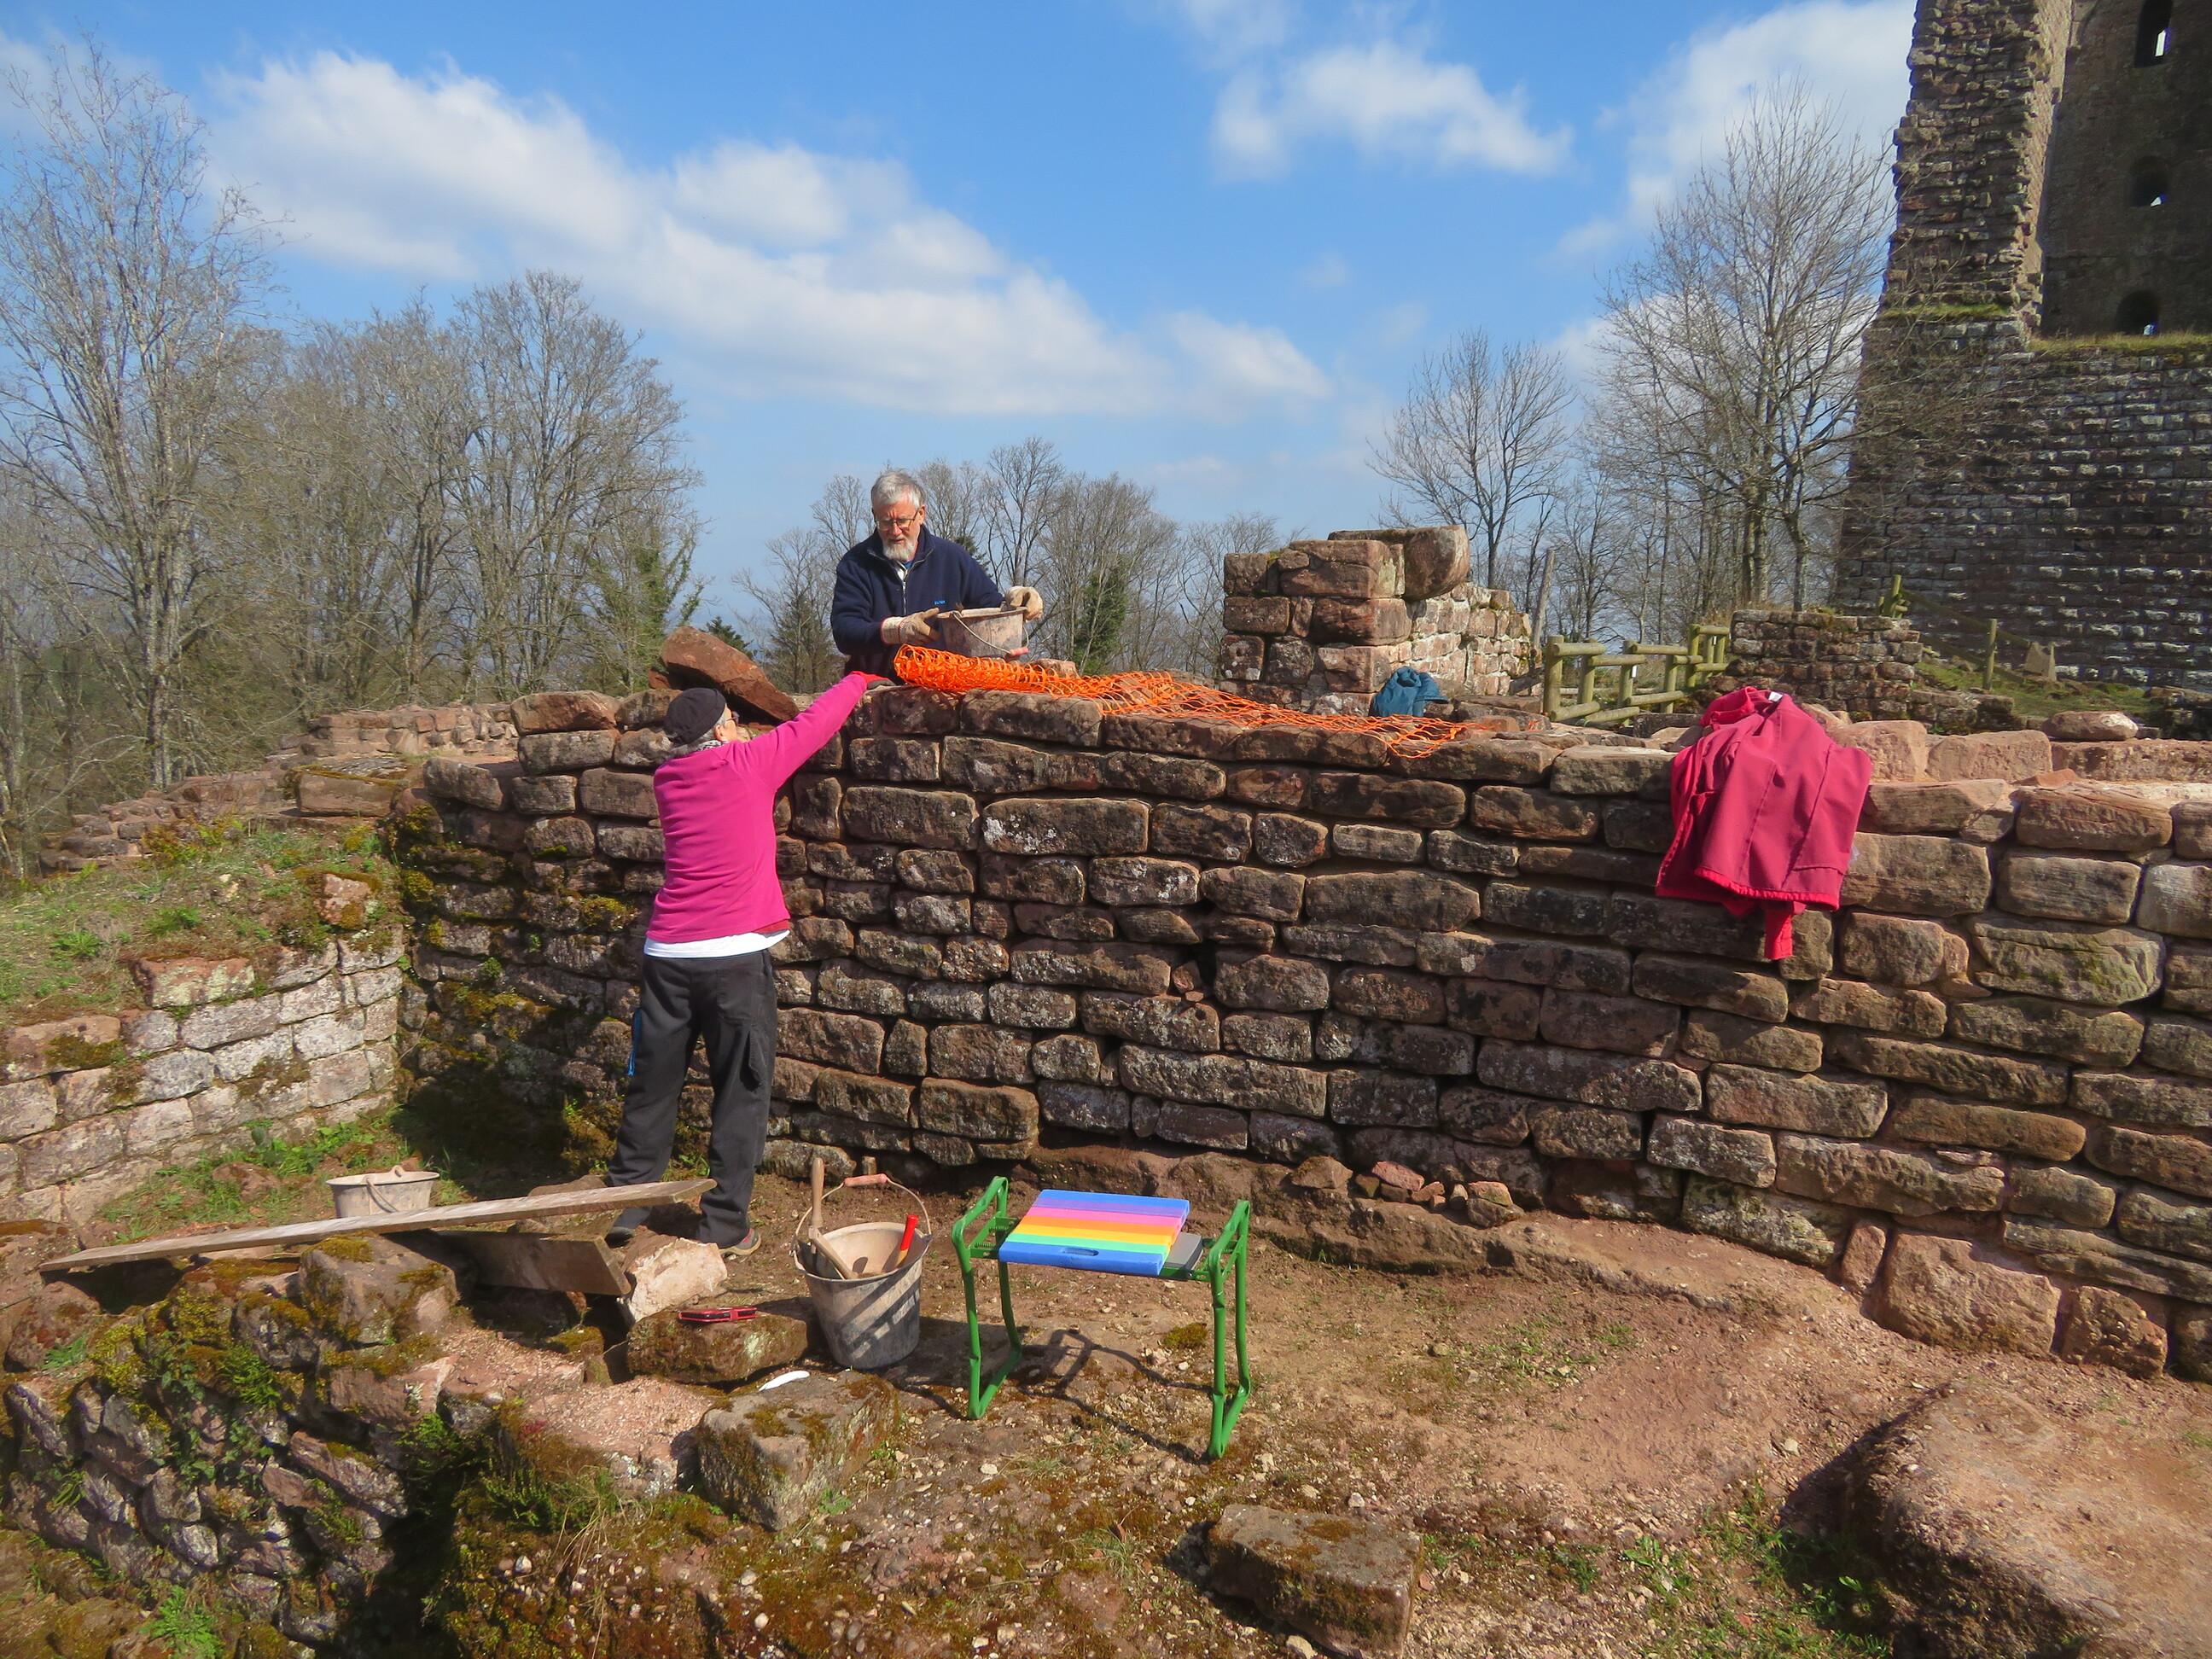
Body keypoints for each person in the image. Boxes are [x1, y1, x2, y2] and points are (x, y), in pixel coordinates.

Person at [603, 672, 874, 1256]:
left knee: (653, 1081)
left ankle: (628, 1199)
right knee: (741, 1089)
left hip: (667, 955)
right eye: (731, 720)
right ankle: (726, 1224)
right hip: (731, 958)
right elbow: (813, 724)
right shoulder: (748, 764)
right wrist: (859, 676)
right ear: (723, 729)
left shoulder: (667, 779)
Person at [830, 469, 1043, 677]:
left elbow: (991, 610)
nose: (894, 531)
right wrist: (895, 630)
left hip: (944, 684)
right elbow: (845, 632)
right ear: (874, 515)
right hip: (876, 686)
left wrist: (1016, 604)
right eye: (885, 522)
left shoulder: (952, 558)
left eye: (902, 521)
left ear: (921, 514)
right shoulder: (856, 564)